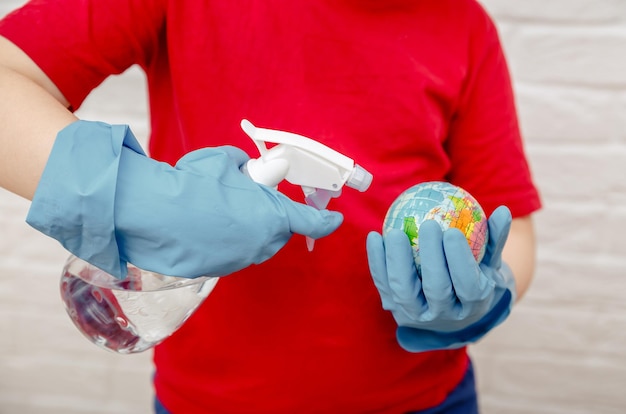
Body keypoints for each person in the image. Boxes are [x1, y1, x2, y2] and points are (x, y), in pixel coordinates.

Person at [0, 1, 541, 413]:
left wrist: (482, 298)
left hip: (425, 399)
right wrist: (130, 195)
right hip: (208, 401)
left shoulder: (463, 25)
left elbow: (507, 220)